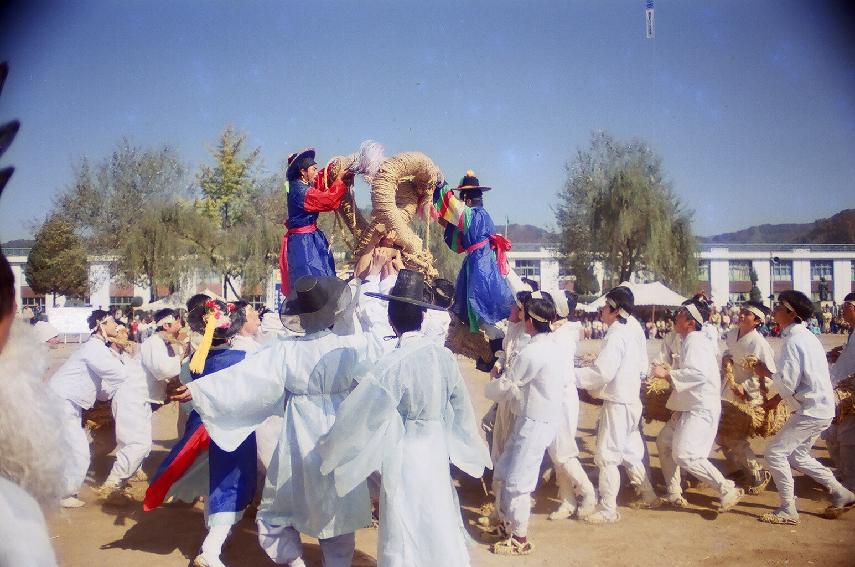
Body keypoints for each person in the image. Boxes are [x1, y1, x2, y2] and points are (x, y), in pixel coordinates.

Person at [172, 276, 383, 567]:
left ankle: (295, 562)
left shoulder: (286, 350)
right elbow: (383, 370)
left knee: (277, 510)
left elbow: (246, 380)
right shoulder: (351, 346)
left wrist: (198, 390)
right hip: (339, 427)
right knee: (335, 507)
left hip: (300, 432)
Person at [318, 269, 491, 567]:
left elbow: (362, 413)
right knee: (438, 510)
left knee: (404, 513)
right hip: (436, 447)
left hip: (405, 447)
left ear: (391, 318)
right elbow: (461, 408)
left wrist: (332, 447)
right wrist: (464, 443)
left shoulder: (392, 363)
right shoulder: (444, 357)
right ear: (423, 318)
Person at [144, 299, 256, 567]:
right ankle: (211, 549)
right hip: (231, 431)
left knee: (211, 482)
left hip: (200, 429)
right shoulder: (245, 358)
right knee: (230, 485)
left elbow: (187, 395)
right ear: (231, 330)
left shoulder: (194, 361)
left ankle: (213, 538)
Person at [753, 290, 855, 524]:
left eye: (779, 307)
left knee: (775, 453)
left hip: (812, 409)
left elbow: (788, 382)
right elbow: (801, 380)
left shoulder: (794, 340)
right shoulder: (806, 337)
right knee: (797, 455)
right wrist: (777, 399)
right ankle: (842, 493)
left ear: (791, 313)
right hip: (819, 407)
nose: (775, 310)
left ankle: (788, 509)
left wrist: (765, 373)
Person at [483, 294, 561, 555]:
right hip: (528, 418)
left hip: (536, 423)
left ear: (530, 321)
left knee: (518, 482)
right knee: (503, 471)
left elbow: (507, 385)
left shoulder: (534, 351)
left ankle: (520, 538)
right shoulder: (550, 344)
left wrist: (489, 388)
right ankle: (507, 525)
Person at [651, 296, 744, 511]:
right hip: (688, 404)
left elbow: (697, 374)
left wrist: (667, 374)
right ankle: (674, 492)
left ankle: (726, 488)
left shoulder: (696, 340)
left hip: (700, 406)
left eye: (681, 315)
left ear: (691, 322)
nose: (676, 317)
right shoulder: (686, 339)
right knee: (664, 441)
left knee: (686, 455)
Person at [576, 286, 658, 523]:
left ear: (617, 310)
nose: (602, 309)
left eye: (605, 305)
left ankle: (608, 508)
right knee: (630, 451)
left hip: (619, 401)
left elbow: (602, 372)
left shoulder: (617, 334)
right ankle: (648, 493)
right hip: (630, 399)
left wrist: (573, 376)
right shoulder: (631, 328)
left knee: (607, 455)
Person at [432, 170, 515, 371]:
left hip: (480, 266)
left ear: (467, 199)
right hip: (479, 261)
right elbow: (457, 231)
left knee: (478, 307)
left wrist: (441, 186)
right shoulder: (480, 215)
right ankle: (493, 352)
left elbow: (453, 208)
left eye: (463, 198)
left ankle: (496, 351)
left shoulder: (474, 215)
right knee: (474, 309)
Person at [47, 309, 128, 508]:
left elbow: (102, 389)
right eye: (111, 323)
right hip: (62, 401)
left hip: (68, 402)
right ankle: (64, 493)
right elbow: (118, 374)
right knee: (79, 449)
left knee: (69, 447)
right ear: (100, 325)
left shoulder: (98, 349)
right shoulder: (95, 349)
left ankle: (59, 489)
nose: (115, 327)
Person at [545, 290, 597, 521]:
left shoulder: (563, 335)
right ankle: (567, 499)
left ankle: (587, 492)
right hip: (554, 396)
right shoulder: (559, 332)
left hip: (562, 398)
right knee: (556, 451)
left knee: (562, 451)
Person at [717, 300, 777, 494]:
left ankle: (757, 472)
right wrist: (726, 358)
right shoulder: (732, 334)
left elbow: (769, 375)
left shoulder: (759, 343)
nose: (741, 315)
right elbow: (729, 352)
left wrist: (745, 388)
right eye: (741, 311)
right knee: (719, 434)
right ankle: (736, 469)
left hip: (748, 397)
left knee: (734, 437)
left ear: (757, 321)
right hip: (728, 391)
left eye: (747, 314)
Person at [279, 148, 354, 294]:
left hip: (311, 238)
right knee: (311, 278)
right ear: (303, 171)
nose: (316, 171)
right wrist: (338, 181)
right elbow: (328, 200)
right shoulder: (300, 191)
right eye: (313, 168)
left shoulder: (298, 184)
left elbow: (321, 179)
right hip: (303, 243)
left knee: (322, 274)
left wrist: (337, 170)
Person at [827, 293, 855, 491]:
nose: (843, 310)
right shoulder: (852, 331)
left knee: (846, 437)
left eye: (846, 306)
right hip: (839, 390)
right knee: (832, 435)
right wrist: (839, 355)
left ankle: (851, 482)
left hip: (849, 394)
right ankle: (844, 472)